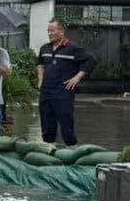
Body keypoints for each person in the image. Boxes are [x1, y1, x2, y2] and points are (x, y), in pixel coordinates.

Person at [36, 18, 97, 146]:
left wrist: (77, 77)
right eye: (48, 31)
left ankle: (72, 150)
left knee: (66, 126)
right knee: (47, 126)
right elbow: (40, 63)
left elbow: (91, 60)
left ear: (61, 31)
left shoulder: (72, 48)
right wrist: (40, 79)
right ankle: (49, 151)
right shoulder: (45, 48)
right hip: (46, 92)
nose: (49, 33)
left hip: (63, 93)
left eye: (52, 31)